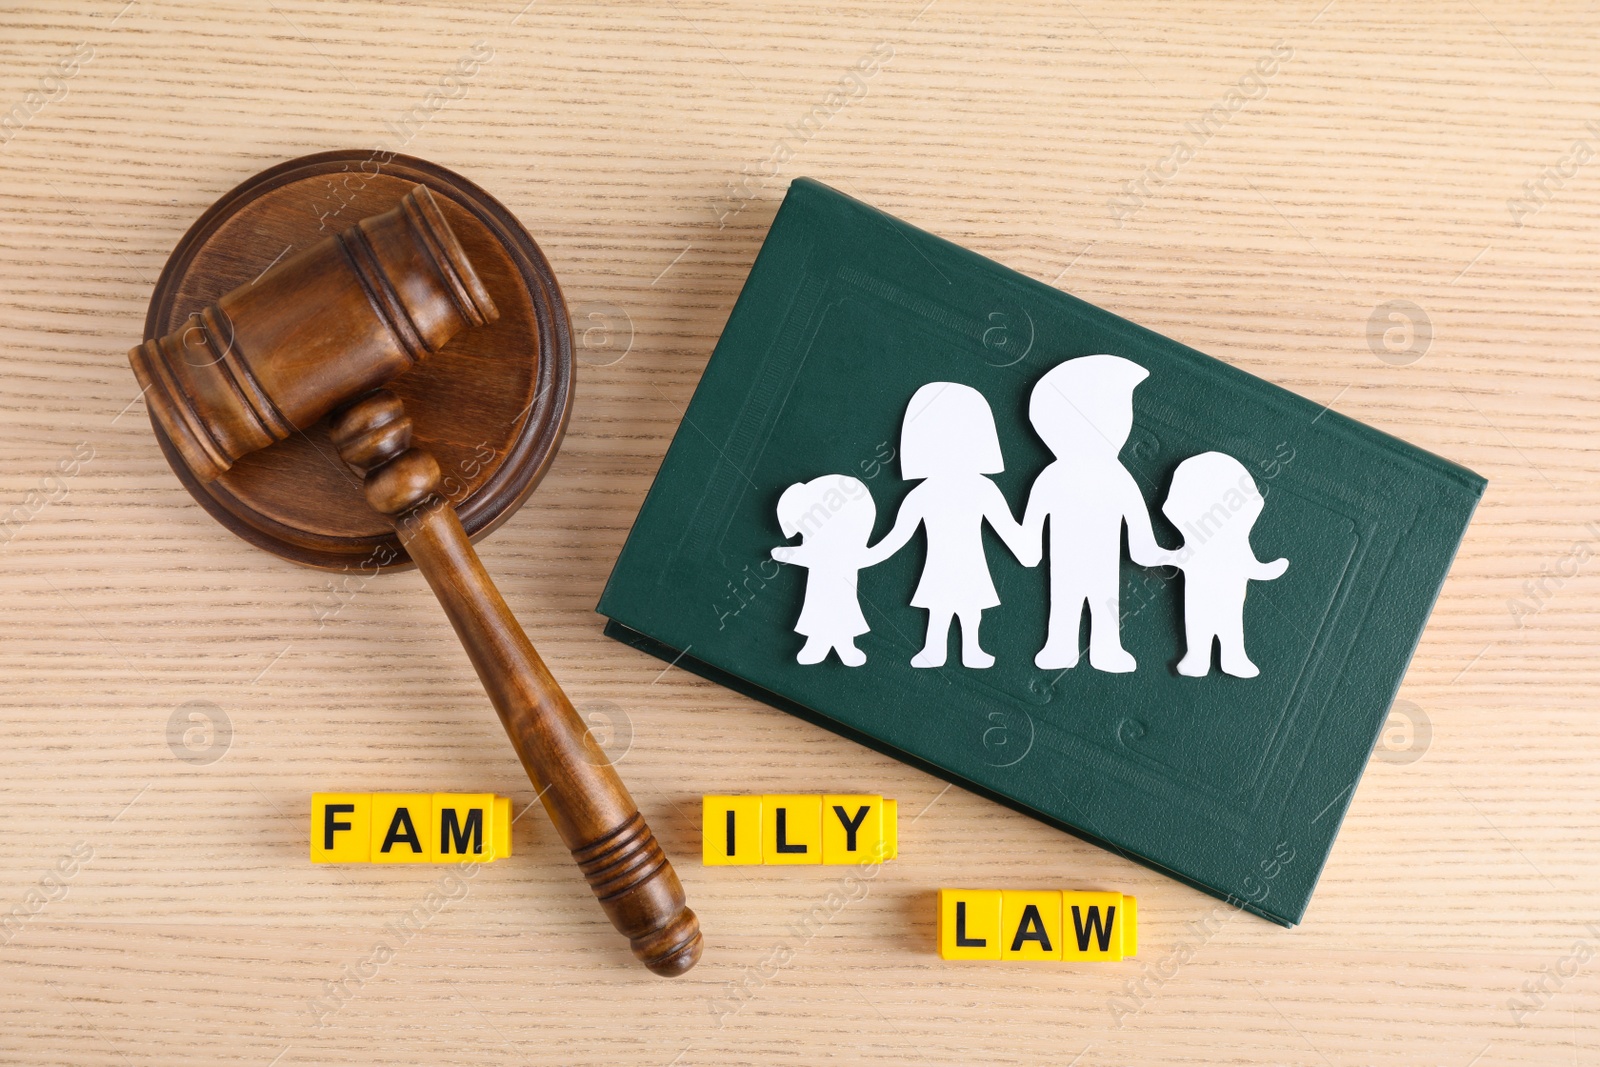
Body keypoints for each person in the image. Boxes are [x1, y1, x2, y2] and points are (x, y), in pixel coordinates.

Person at [863, 382, 1036, 668]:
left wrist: (1026, 547)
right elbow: (897, 536)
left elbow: (1008, 529)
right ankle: (935, 649)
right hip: (941, 566)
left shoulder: (979, 489)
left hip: (969, 566)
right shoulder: (926, 493)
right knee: (941, 610)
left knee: (968, 609)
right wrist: (864, 556)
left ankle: (971, 650)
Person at [1022, 355, 1170, 673]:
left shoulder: (1100, 476)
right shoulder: (1062, 476)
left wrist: (1166, 554)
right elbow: (1030, 539)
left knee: (1097, 605)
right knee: (1070, 602)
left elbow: (1141, 542)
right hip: (1068, 565)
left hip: (1093, 565)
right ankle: (1066, 645)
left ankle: (1101, 648)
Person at [1160, 451, 1288, 678]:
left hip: (1228, 592)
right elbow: (1176, 557)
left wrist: (1268, 569)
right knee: (1199, 621)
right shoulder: (1197, 542)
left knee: (1228, 622)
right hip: (1199, 592)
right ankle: (1197, 657)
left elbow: (1252, 566)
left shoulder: (1234, 543)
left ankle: (1233, 656)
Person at [771, 474, 877, 666]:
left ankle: (843, 647)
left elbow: (810, 554)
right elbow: (811, 554)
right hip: (821, 582)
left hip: (838, 582)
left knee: (838, 609)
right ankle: (819, 646)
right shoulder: (825, 544)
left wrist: (785, 554)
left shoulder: (836, 547)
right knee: (821, 609)